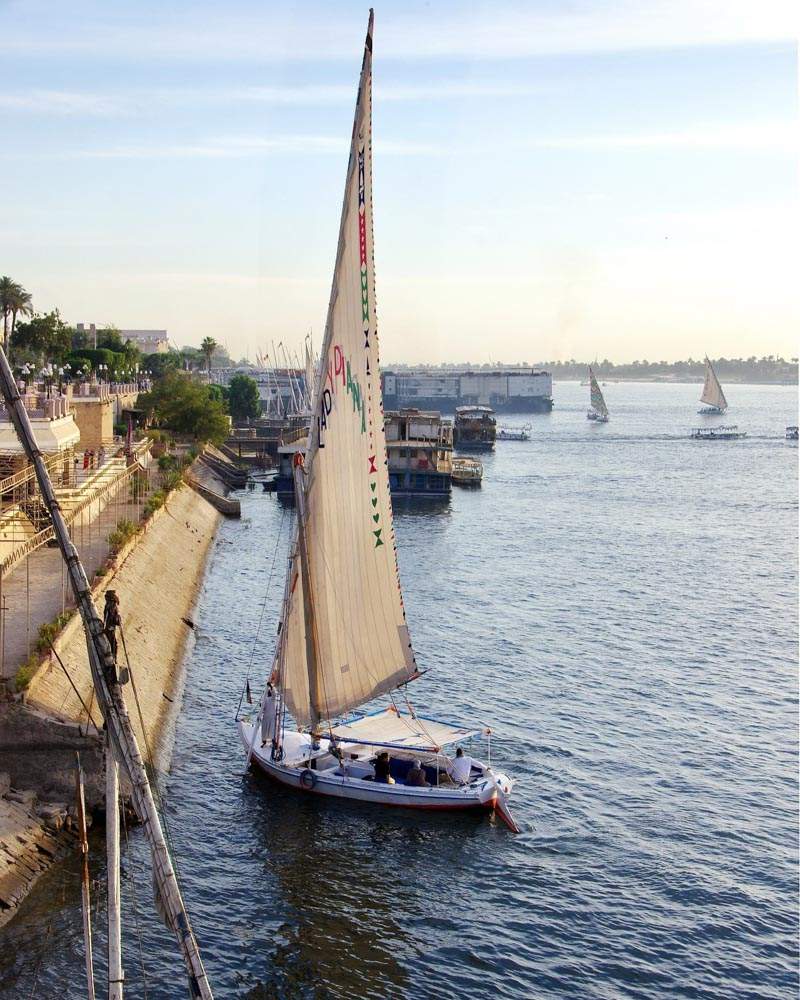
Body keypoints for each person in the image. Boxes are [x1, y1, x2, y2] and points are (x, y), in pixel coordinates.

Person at [103, 590, 122, 662]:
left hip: (109, 628)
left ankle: (112, 658)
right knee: (113, 644)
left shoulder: (109, 605)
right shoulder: (112, 606)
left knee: (112, 644)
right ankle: (113, 659)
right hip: (110, 629)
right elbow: (110, 618)